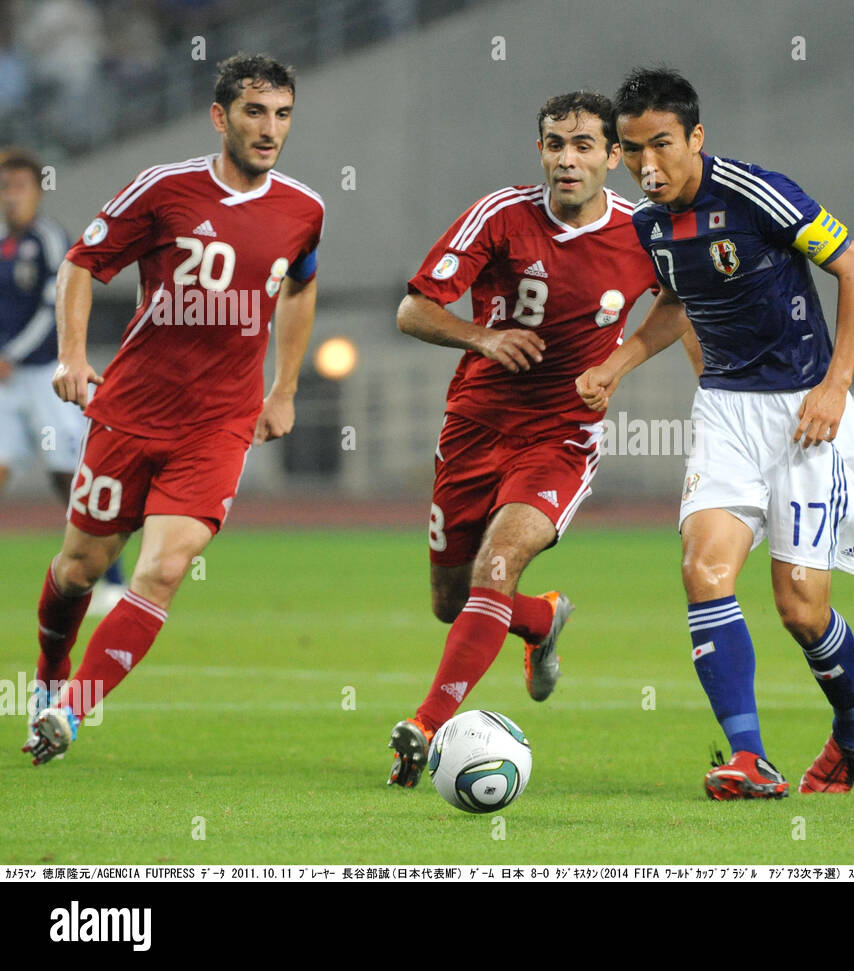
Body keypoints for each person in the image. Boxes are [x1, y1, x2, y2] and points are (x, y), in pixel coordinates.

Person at [578, 68, 854, 799]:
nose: (647, 165)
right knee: (703, 571)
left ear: (696, 137)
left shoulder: (757, 193)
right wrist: (617, 363)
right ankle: (751, 757)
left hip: (808, 412)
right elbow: (677, 304)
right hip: (726, 413)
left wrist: (838, 385)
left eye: (662, 145)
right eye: (632, 149)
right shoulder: (648, 225)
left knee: (799, 607)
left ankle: (851, 726)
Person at [23, 53, 324, 764]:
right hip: (130, 412)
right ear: (220, 117)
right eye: (255, 112)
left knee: (163, 569)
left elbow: (301, 284)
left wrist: (284, 387)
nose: (269, 128)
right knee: (79, 566)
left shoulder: (303, 208)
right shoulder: (164, 190)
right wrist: (71, 355)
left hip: (218, 425)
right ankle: (48, 675)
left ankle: (71, 712)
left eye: (282, 114)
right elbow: (80, 263)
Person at [385, 91, 659, 788]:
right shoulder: (500, 216)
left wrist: (619, 362)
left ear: (615, 158)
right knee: (452, 600)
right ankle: (540, 620)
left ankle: (422, 725)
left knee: (496, 566)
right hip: (475, 425)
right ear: (540, 149)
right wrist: (482, 335)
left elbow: (684, 303)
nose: (567, 158)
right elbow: (413, 308)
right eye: (554, 144)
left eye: (584, 145)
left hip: (561, 436)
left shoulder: (645, 231)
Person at [1, 149, 127, 615]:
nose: (11, 196)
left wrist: (10, 353)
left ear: (36, 191)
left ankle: (112, 581)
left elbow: (49, 308)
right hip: (5, 383)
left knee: (70, 478)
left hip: (43, 376)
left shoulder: (50, 240)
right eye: (4, 187)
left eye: (19, 186)